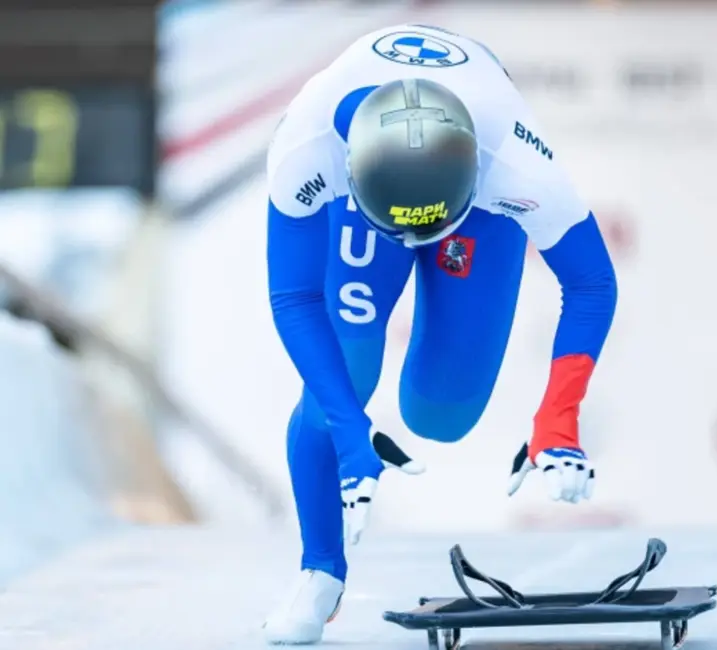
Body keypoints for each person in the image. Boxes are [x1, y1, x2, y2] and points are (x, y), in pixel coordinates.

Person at [263, 23, 618, 644]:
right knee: (341, 383)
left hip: (475, 213)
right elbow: (292, 297)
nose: (414, 244)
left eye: (425, 228)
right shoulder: (306, 145)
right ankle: (319, 569)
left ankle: (442, 222)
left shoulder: (516, 162)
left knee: (441, 412)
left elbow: (592, 284)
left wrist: (558, 421)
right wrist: (350, 431)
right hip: (364, 209)